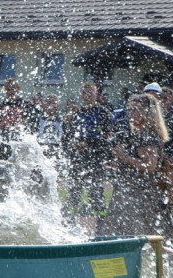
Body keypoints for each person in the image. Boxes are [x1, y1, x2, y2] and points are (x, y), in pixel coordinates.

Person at [99, 93, 169, 236]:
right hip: (132, 192)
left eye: (135, 110)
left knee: (134, 236)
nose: (131, 113)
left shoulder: (147, 135)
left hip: (139, 195)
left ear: (147, 112)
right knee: (129, 235)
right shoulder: (141, 132)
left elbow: (149, 166)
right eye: (129, 109)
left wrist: (123, 156)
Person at [61, 81, 113, 222]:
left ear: (96, 94)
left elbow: (109, 138)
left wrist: (88, 143)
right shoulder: (77, 112)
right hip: (77, 158)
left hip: (95, 158)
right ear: (81, 95)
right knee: (74, 191)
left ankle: (101, 223)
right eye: (84, 92)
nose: (87, 95)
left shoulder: (103, 112)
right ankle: (70, 220)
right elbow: (67, 135)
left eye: (90, 92)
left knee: (96, 192)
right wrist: (72, 143)